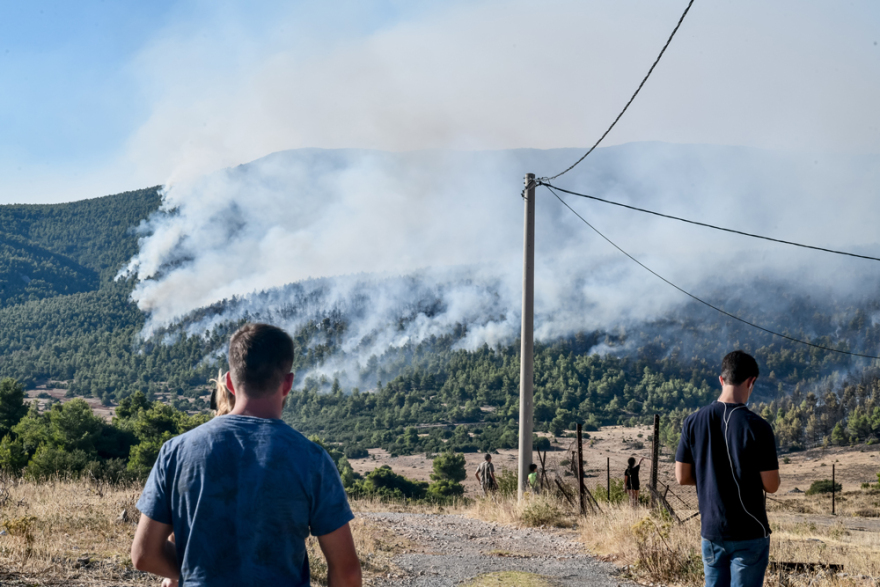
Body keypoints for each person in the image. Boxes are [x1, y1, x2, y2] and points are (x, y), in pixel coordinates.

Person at [131, 323, 362, 587]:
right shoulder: (312, 460)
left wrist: (195, 572)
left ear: (229, 381)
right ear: (288, 384)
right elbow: (347, 572)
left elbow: (144, 555)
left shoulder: (176, 451)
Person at [675, 350, 780, 587]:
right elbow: (771, 486)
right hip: (749, 531)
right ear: (751, 382)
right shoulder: (758, 426)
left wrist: (711, 477)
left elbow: (682, 477)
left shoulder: (693, 421)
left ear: (721, 379)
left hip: (712, 531)